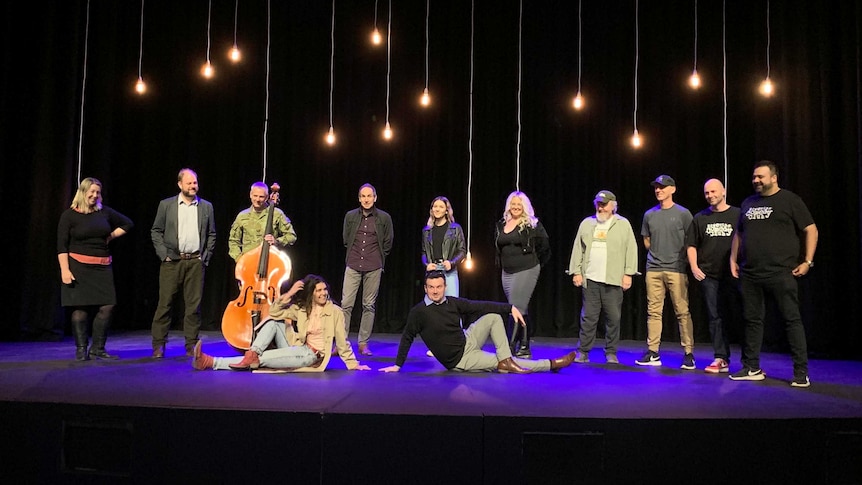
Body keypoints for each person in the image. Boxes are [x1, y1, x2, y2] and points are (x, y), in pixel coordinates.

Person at [729, 160, 817, 388]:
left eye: (761, 177)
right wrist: (732, 259)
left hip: (781, 272)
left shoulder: (790, 200)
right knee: (752, 321)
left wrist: (807, 261)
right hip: (750, 273)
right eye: (754, 177)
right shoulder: (748, 203)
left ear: (774, 177)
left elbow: (810, 229)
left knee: (791, 320)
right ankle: (752, 366)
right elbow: (739, 233)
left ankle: (801, 372)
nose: (756, 180)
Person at [379, 271, 576, 373]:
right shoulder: (419, 312)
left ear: (445, 286)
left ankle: (506, 359)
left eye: (439, 286)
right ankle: (551, 364)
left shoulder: (452, 302)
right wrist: (397, 365)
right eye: (431, 287)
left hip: (467, 339)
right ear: (425, 288)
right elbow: (407, 337)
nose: (435, 290)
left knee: (493, 317)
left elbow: (479, 306)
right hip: (461, 360)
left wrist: (509, 308)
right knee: (513, 363)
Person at [193, 274, 371, 372]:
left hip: (310, 356)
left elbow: (342, 341)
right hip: (298, 347)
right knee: (273, 321)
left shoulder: (335, 312)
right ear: (311, 294)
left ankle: (210, 362)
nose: (323, 293)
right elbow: (274, 311)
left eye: (325, 290)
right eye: (319, 291)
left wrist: (353, 364)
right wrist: (290, 293)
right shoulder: (302, 309)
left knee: (261, 361)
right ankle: (252, 352)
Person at [57, 177, 133, 361]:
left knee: (108, 306)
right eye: (91, 191)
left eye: (97, 192)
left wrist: (110, 236)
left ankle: (97, 348)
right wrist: (65, 270)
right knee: (80, 308)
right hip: (78, 266)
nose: (94, 195)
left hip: (102, 267)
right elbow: (61, 246)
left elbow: (128, 223)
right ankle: (81, 349)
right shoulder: (70, 215)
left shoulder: (104, 212)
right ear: (82, 192)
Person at [150, 168, 217, 358]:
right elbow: (156, 231)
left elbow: (212, 234)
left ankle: (191, 345)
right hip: (172, 261)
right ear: (180, 184)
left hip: (195, 262)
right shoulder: (167, 205)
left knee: (193, 307)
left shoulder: (206, 207)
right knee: (165, 304)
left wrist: (205, 257)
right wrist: (164, 254)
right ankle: (158, 345)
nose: (193, 186)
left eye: (195, 182)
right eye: (188, 183)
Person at [568, 190, 638, 365]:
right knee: (588, 317)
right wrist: (576, 271)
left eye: (605, 204)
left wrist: (628, 273)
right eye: (599, 203)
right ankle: (583, 351)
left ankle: (611, 352)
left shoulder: (623, 224)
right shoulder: (587, 223)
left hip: (613, 279)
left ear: (613, 205)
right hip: (591, 278)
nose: (601, 207)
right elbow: (578, 248)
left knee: (613, 318)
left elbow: (631, 249)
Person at [636, 175, 696, 369]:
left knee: (682, 312)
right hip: (654, 269)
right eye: (656, 188)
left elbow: (691, 240)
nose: (658, 190)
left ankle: (689, 353)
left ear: (673, 189)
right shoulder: (649, 215)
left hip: (676, 269)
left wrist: (683, 261)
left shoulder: (683, 213)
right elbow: (646, 239)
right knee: (653, 312)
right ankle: (653, 352)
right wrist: (656, 253)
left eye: (662, 187)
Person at [686, 179, 741, 374]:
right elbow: (691, 244)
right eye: (707, 192)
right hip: (709, 275)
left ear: (723, 191)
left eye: (713, 191)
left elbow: (746, 239)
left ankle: (750, 361)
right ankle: (721, 357)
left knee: (742, 315)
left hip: (734, 274)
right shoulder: (700, 218)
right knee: (715, 317)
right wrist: (694, 266)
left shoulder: (737, 214)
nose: (710, 195)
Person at [494, 191, 550, 359]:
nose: (516, 207)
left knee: (515, 308)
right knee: (520, 308)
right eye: (513, 204)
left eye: (519, 204)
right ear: (508, 206)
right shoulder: (501, 224)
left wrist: (534, 262)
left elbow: (544, 245)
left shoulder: (532, 224)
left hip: (527, 269)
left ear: (524, 207)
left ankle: (509, 348)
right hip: (507, 272)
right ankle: (524, 346)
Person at [341, 183, 394, 356]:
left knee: (368, 305)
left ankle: (363, 343)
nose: (366, 199)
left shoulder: (384, 218)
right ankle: (342, 342)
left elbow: (388, 242)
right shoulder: (350, 216)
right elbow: (346, 240)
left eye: (369, 196)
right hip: (354, 263)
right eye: (363, 196)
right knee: (345, 304)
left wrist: (379, 258)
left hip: (373, 265)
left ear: (375, 198)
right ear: (359, 198)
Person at [227, 181, 297, 262]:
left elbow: (291, 236)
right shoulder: (242, 216)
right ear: (250, 195)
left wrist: (276, 241)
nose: (257, 199)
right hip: (248, 262)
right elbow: (233, 241)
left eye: (261, 197)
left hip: (270, 261)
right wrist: (240, 259)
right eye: (255, 196)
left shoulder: (277, 214)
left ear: (267, 197)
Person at [421, 196, 466, 296]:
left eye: (441, 207)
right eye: (435, 206)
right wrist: (426, 264)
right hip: (432, 270)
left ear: (446, 210)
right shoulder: (427, 231)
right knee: (432, 307)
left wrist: (452, 263)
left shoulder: (455, 229)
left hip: (449, 271)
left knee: (451, 304)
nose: (437, 209)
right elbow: (424, 252)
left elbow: (462, 250)